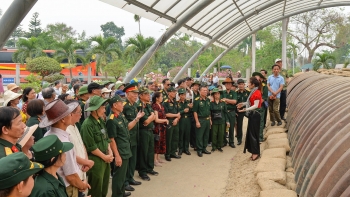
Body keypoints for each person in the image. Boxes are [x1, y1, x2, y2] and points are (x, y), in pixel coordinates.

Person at [42, 99, 90, 197]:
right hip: (68, 187)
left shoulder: (49, 134)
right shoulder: (63, 142)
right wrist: (83, 185)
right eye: (69, 113)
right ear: (63, 119)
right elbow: (71, 176)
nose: (71, 115)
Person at [107, 95, 142, 197]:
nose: (123, 105)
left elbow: (127, 127)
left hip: (126, 149)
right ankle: (117, 194)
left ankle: (121, 192)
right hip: (120, 151)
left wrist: (136, 119)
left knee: (122, 175)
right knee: (118, 175)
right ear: (114, 105)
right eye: (121, 103)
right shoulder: (111, 119)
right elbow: (111, 139)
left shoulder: (120, 115)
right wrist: (117, 155)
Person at [81, 96, 113, 197]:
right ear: (95, 110)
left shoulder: (101, 121)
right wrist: (105, 157)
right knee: (96, 188)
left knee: (104, 185)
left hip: (105, 157)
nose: (104, 110)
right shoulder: (87, 124)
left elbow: (106, 138)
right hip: (96, 159)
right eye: (102, 107)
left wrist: (110, 152)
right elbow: (91, 146)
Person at [65, 99, 94, 197]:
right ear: (70, 114)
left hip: (82, 170)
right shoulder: (65, 130)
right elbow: (70, 154)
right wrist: (86, 162)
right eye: (79, 112)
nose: (81, 114)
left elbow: (82, 145)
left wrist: (86, 161)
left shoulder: (76, 125)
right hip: (74, 174)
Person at [122, 83, 144, 191]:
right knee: (127, 160)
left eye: (137, 94)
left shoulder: (135, 105)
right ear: (127, 94)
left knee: (133, 159)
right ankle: (125, 181)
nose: (136, 96)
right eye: (134, 94)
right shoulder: (124, 106)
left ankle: (130, 178)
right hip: (127, 137)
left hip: (135, 136)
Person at [237, 77, 262, 161]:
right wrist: (243, 104)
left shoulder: (257, 92)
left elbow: (255, 105)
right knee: (251, 133)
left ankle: (255, 152)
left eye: (249, 82)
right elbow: (249, 102)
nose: (248, 84)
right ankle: (254, 151)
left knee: (253, 134)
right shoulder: (253, 91)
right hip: (252, 114)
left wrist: (245, 109)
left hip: (255, 115)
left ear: (253, 84)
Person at [136, 87, 158, 181]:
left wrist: (151, 117)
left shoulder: (148, 104)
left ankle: (150, 168)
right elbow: (145, 121)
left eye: (149, 94)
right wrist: (151, 117)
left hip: (149, 130)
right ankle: (143, 172)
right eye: (147, 94)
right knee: (143, 152)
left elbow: (153, 115)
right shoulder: (139, 105)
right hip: (143, 131)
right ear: (141, 96)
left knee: (150, 150)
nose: (149, 96)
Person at [163, 86, 181, 161]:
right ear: (169, 93)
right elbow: (166, 114)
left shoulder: (175, 101)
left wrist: (177, 118)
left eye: (175, 92)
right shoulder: (166, 102)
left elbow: (179, 112)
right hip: (169, 121)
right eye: (173, 92)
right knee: (169, 138)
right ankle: (167, 154)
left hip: (176, 121)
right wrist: (176, 116)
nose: (174, 93)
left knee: (175, 138)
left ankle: (173, 152)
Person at [193, 85, 211, 157]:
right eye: (204, 90)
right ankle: (199, 150)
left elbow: (209, 110)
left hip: (207, 119)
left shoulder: (208, 100)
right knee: (199, 136)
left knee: (206, 135)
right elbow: (195, 112)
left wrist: (210, 120)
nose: (205, 92)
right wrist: (197, 121)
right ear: (200, 91)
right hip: (201, 119)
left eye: (206, 90)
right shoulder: (197, 100)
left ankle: (204, 148)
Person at [151, 92, 168, 166]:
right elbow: (156, 119)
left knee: (161, 142)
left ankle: (158, 158)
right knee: (157, 143)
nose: (162, 98)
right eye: (161, 96)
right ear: (157, 98)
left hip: (162, 127)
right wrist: (165, 120)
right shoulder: (154, 106)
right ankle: (154, 160)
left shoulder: (161, 105)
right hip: (157, 127)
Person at [210, 88, 229, 152]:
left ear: (220, 95)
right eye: (215, 94)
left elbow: (226, 112)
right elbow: (209, 112)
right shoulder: (211, 103)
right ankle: (214, 147)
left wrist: (227, 121)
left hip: (222, 120)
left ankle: (219, 146)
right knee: (214, 134)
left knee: (221, 134)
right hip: (214, 121)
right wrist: (210, 120)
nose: (217, 95)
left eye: (218, 94)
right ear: (213, 95)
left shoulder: (223, 103)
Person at [221, 77, 238, 148]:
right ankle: (224, 141)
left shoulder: (234, 93)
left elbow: (235, 102)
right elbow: (221, 101)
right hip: (224, 112)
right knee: (224, 127)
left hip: (231, 112)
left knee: (231, 127)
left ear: (231, 85)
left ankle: (231, 142)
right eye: (226, 84)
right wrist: (230, 101)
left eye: (229, 84)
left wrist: (226, 100)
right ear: (224, 85)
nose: (228, 85)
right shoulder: (222, 93)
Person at [252, 72, 268, 142]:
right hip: (253, 107)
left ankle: (260, 137)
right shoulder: (252, 87)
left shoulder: (264, 87)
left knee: (261, 123)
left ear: (261, 79)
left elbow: (264, 98)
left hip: (261, 107)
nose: (257, 80)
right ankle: (253, 137)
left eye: (258, 79)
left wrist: (257, 104)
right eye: (255, 79)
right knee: (253, 123)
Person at [177, 88, 192, 155]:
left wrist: (191, 108)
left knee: (187, 134)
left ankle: (186, 149)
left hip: (188, 119)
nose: (183, 96)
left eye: (184, 95)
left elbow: (192, 111)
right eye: (181, 95)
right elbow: (176, 112)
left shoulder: (188, 102)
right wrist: (183, 111)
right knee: (181, 134)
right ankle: (180, 149)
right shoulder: (177, 103)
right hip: (181, 119)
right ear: (179, 95)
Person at [236, 79, 249, 145]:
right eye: (239, 84)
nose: (241, 86)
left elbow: (250, 101)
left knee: (251, 123)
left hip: (247, 110)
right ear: (237, 85)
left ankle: (249, 138)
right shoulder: (235, 93)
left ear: (244, 85)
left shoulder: (248, 92)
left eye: (242, 84)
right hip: (239, 111)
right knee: (239, 125)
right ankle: (239, 139)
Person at [189, 80, 200, 149]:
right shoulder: (190, 93)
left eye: (198, 86)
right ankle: (193, 144)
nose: (196, 87)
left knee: (197, 129)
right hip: (191, 112)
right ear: (192, 86)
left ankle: (196, 143)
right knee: (192, 129)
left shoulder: (199, 93)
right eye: (195, 85)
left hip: (199, 113)